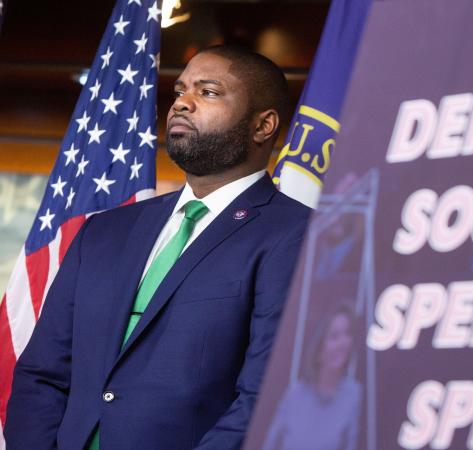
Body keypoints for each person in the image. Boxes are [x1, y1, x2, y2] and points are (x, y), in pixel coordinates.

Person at [4, 45, 311, 450]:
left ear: (263, 125)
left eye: (208, 92)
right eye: (180, 90)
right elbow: (42, 374)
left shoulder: (300, 235)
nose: (182, 103)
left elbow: (264, 397)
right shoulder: (103, 231)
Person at [263, 302, 362, 450]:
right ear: (319, 349)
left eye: (348, 334)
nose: (343, 343)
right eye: (335, 336)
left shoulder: (354, 395)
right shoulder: (294, 394)